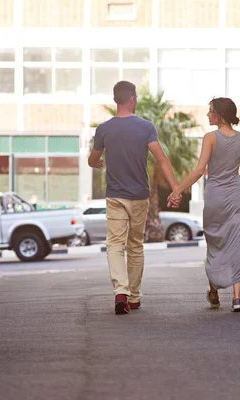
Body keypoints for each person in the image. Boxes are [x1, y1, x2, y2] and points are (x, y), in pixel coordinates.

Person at [88, 81, 181, 315]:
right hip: (140, 196)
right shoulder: (146, 127)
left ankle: (121, 291)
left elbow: (92, 159)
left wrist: (96, 163)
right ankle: (135, 297)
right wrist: (175, 188)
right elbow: (161, 159)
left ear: (115, 100)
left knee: (115, 244)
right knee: (135, 245)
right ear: (132, 99)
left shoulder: (104, 129)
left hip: (116, 196)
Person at [168, 97, 240, 312]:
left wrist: (178, 190)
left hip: (215, 196)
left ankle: (214, 292)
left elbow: (200, 170)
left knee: (216, 244)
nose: (208, 115)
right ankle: (237, 299)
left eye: (210, 111)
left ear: (219, 114)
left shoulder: (210, 138)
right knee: (237, 243)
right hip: (236, 196)